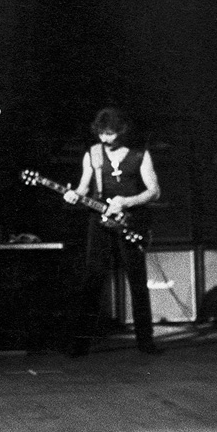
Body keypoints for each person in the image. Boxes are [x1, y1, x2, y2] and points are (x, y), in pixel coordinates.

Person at [63, 107, 162, 356]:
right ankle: (81, 343)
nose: (105, 138)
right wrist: (73, 195)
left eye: (110, 133)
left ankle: (146, 341)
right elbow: (83, 187)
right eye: (102, 133)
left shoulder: (139, 154)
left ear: (121, 131)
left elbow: (154, 191)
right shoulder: (93, 154)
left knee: (137, 281)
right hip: (99, 222)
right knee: (93, 280)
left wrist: (127, 202)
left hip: (130, 221)